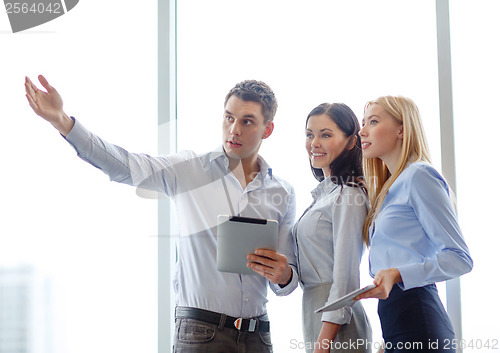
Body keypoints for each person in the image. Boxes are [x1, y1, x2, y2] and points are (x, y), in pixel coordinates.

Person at [24, 75, 299, 353]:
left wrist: (284, 274)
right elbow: (125, 165)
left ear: (268, 129)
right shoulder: (190, 170)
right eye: (229, 117)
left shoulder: (283, 192)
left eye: (247, 121)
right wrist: (62, 121)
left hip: (259, 337)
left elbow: (287, 283)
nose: (234, 129)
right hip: (202, 334)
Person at [355, 96, 473, 352]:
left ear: (401, 129)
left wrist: (397, 273)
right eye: (363, 123)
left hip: (419, 317)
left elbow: (460, 258)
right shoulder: (389, 190)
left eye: (373, 121)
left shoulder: (419, 175)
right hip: (395, 319)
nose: (362, 131)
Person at [293, 103, 372, 353]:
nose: (314, 143)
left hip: (337, 323)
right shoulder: (323, 196)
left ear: (351, 141)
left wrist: (323, 343)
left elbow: (346, 278)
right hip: (315, 311)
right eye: (309, 134)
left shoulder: (348, 194)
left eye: (325, 135)